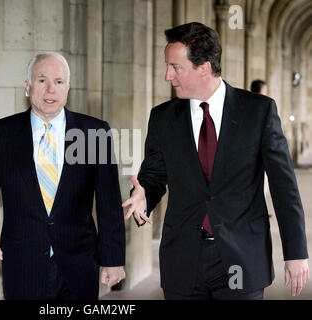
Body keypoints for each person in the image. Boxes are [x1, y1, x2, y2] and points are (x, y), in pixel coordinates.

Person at [123, 22, 309, 300]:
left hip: (242, 258)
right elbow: (153, 176)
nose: (167, 76)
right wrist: (143, 198)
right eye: (167, 66)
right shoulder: (163, 117)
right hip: (183, 260)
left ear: (205, 67)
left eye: (176, 67)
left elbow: (285, 188)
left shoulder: (258, 112)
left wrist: (295, 253)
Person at [0, 52, 125, 300]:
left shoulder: (93, 132)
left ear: (68, 88)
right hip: (23, 265)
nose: (51, 89)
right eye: (42, 80)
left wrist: (113, 259)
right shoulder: (0, 134)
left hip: (80, 265)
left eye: (59, 82)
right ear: (27, 87)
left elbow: (109, 201)